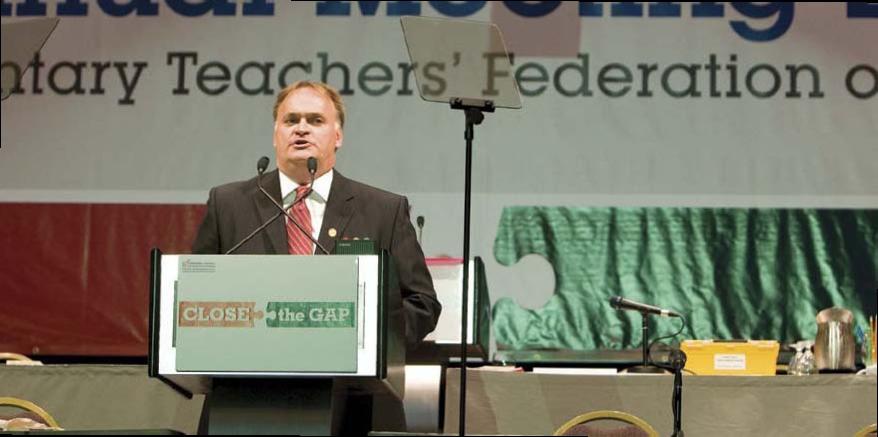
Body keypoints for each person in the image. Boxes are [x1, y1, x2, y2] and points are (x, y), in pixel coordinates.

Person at [192, 80, 441, 347]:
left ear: (338, 136)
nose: (301, 129)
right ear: (275, 135)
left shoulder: (383, 211)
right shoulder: (228, 204)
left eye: (315, 120)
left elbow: (422, 304)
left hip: (345, 383)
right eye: (290, 120)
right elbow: (194, 293)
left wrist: (367, 339)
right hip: (246, 378)